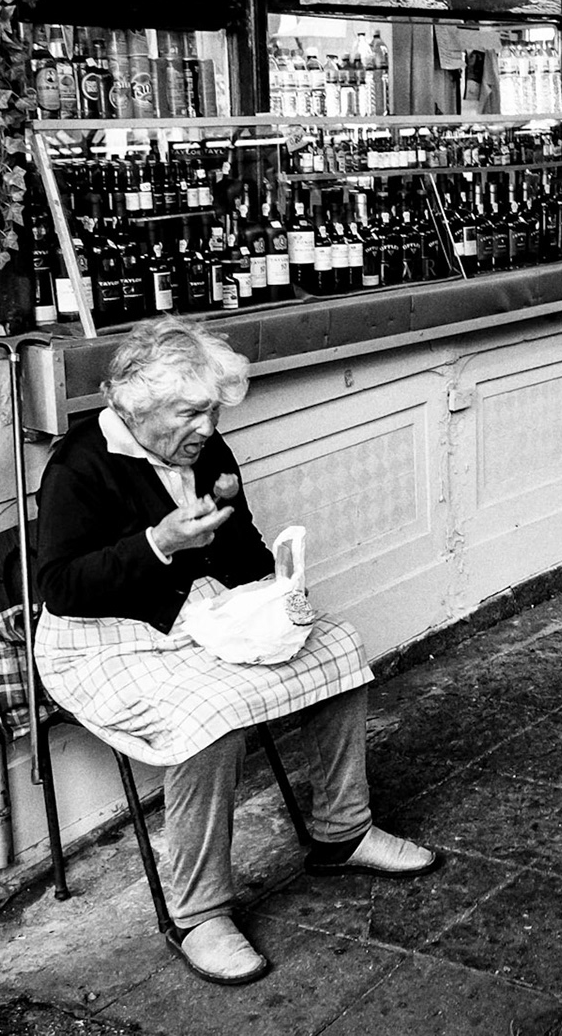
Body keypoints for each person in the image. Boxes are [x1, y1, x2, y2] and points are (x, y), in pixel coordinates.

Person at [32, 315, 437, 986]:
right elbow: (61, 587)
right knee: (209, 718)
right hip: (104, 638)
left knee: (336, 647)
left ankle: (343, 831)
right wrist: (157, 544)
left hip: (200, 616)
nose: (209, 428)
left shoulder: (208, 453)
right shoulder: (80, 466)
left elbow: (243, 546)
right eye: (192, 412)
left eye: (213, 411)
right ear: (138, 407)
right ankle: (200, 914)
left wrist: (278, 592)